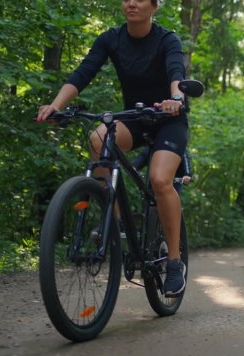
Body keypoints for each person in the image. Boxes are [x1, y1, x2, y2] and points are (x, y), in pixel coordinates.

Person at [36, 0, 188, 297]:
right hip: (134, 118)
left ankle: (173, 261)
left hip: (169, 119)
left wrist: (175, 99)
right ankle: (115, 224)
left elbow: (176, 73)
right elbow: (83, 73)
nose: (131, 3)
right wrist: (56, 106)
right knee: (98, 137)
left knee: (159, 180)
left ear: (154, 7)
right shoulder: (111, 39)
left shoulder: (167, 39)